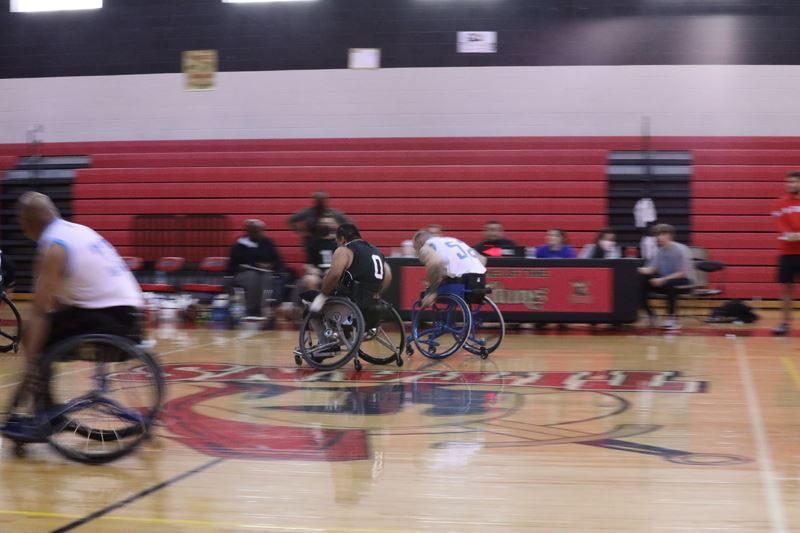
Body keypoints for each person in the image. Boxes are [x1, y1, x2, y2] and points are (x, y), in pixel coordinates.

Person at [2, 192, 144, 438]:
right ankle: (46, 411)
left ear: (26, 224)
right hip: (130, 317)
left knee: (36, 334)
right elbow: (60, 304)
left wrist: (31, 365)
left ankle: (46, 416)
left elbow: (39, 311)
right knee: (47, 334)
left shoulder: (53, 247)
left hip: (110, 319)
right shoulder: (77, 232)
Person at [637, 223, 695, 330]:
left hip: (684, 281)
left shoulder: (680, 250)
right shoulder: (660, 251)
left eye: (662, 234)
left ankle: (672, 318)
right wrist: (634, 270)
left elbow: (682, 273)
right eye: (657, 235)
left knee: (670, 284)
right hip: (665, 280)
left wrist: (663, 279)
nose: (658, 237)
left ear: (669, 235)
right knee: (641, 280)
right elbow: (652, 268)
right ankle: (651, 314)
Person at [412, 229, 487, 307]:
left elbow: (434, 264)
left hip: (458, 284)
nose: (417, 253)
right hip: (479, 281)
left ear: (420, 243)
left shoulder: (427, 246)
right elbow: (483, 259)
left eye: (416, 248)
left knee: (427, 291)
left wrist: (431, 292)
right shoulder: (453, 240)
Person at [228, 219, 285, 319]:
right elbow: (232, 265)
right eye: (253, 231)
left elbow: (277, 261)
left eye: (259, 231)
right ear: (248, 232)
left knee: (266, 277)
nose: (257, 234)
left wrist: (269, 265)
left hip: (264, 272)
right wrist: (252, 265)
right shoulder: (240, 244)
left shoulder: (268, 242)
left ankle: (263, 309)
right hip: (242, 274)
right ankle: (251, 309)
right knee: (253, 276)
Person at [772, 171, 800, 335]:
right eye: (788, 182)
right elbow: (779, 224)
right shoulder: (779, 204)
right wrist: (789, 234)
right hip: (787, 253)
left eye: (794, 182)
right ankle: (784, 322)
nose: (790, 185)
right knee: (786, 288)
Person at [302, 215, 339, 291]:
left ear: (335, 225)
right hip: (319, 273)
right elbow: (308, 264)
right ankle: (316, 298)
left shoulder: (340, 242)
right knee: (310, 279)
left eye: (329, 223)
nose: (326, 226)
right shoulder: (313, 242)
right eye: (323, 223)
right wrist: (312, 270)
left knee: (330, 277)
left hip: (336, 273)